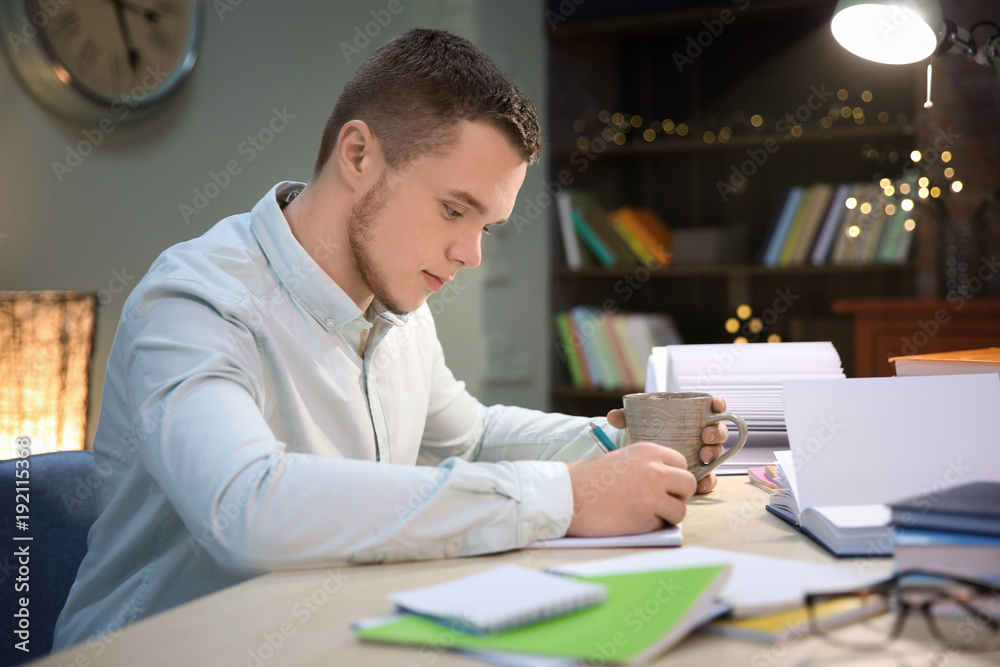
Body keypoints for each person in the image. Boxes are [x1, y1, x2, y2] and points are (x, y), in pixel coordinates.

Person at [52, 28, 729, 650]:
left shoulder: (398, 304)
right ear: (358, 155)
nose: (471, 254)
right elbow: (246, 505)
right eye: (454, 209)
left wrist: (620, 448)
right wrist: (569, 497)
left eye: (486, 226)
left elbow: (471, 437)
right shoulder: (195, 300)